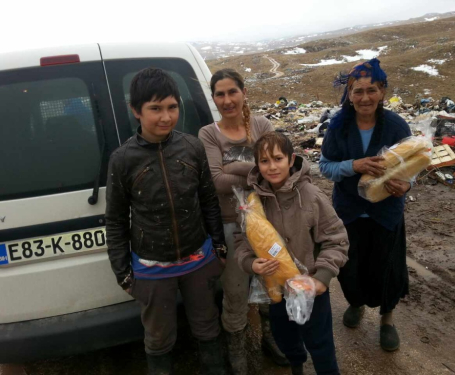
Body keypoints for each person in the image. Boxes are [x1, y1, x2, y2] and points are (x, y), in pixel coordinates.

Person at [105, 67, 227, 375]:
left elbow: (208, 200)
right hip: (150, 267)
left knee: (208, 328)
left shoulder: (191, 147)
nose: (165, 117)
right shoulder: (122, 159)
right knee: (159, 340)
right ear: (136, 111)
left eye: (172, 107)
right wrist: (123, 272)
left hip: (198, 260)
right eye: (155, 108)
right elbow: (116, 220)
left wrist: (219, 247)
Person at [235, 132, 349, 375]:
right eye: (264, 161)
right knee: (285, 337)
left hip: (311, 289)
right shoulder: (253, 202)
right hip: (276, 288)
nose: (272, 166)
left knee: (320, 342)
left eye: (278, 158)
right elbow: (243, 242)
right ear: (257, 165)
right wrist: (251, 263)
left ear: (291, 159)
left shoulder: (311, 196)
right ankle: (296, 366)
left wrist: (321, 279)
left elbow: (336, 240)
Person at [198, 68, 287, 374]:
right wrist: (256, 170)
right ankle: (236, 346)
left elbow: (277, 171)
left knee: (272, 281)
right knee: (235, 291)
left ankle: (269, 336)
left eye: (232, 92)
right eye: (219, 94)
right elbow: (214, 181)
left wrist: (233, 166)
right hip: (231, 223)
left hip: (268, 221)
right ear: (213, 98)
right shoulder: (208, 134)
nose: (227, 100)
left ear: (244, 92)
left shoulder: (262, 125)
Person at [319, 58, 411, 352]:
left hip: (386, 213)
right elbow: (325, 167)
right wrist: (353, 165)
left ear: (382, 91)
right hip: (348, 211)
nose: (364, 98)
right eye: (357, 91)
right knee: (351, 267)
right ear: (348, 94)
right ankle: (356, 303)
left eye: (371, 90)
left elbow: (414, 167)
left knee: (387, 268)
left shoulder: (396, 126)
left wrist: (407, 185)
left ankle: (387, 318)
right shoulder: (338, 127)